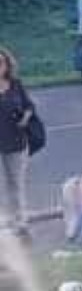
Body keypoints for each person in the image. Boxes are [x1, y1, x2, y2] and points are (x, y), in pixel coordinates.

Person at [0, 47, 35, 232]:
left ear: (7, 65)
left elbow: (29, 106)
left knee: (16, 183)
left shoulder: (15, 84)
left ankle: (20, 220)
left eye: (1, 63)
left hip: (16, 142)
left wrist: (25, 119)